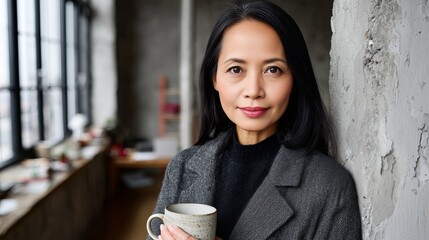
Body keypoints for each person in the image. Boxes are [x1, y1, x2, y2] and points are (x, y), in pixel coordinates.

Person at [149, 1, 362, 239]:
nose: (253, 90)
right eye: (236, 69)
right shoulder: (182, 167)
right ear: (215, 79)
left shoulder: (330, 187)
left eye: (273, 70)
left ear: (295, 79)